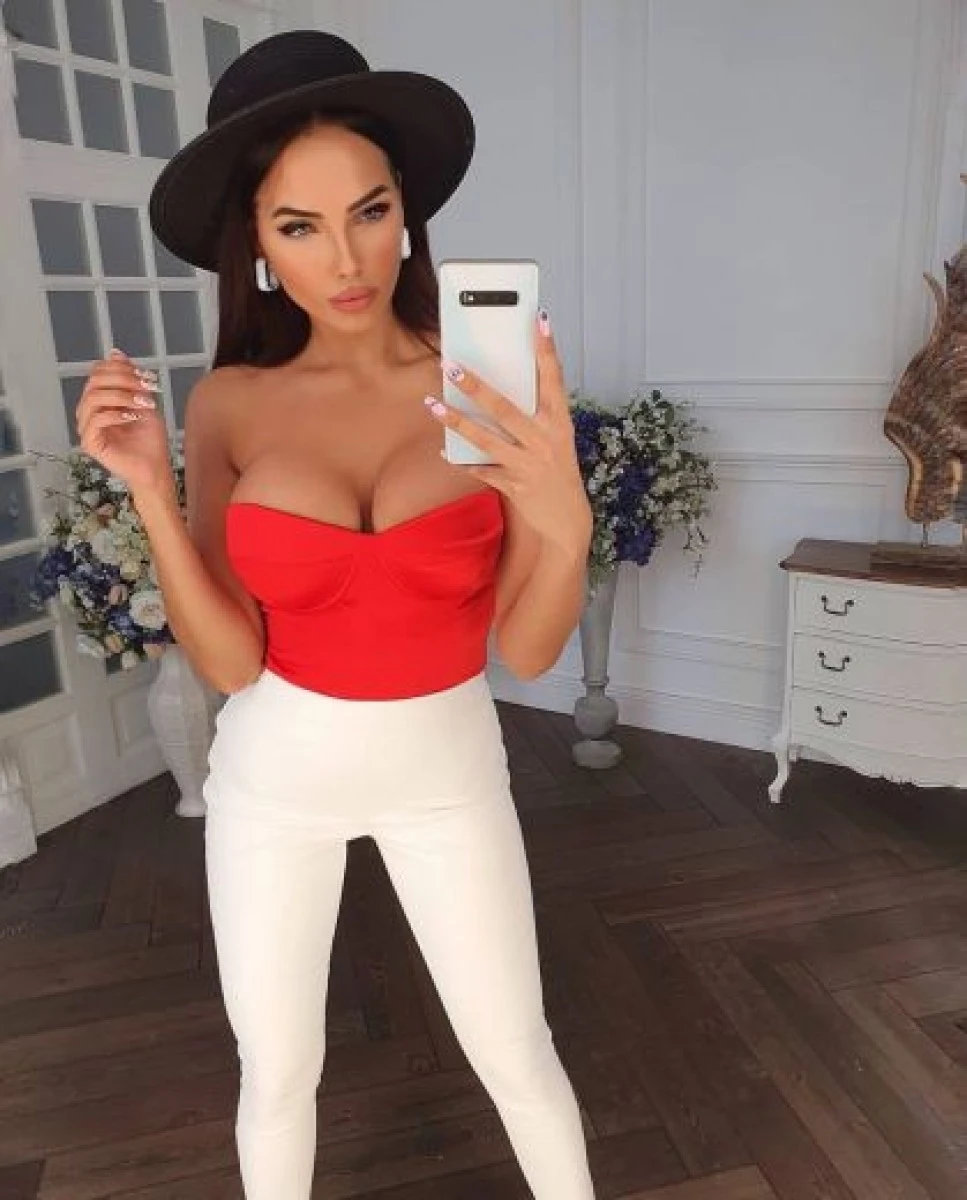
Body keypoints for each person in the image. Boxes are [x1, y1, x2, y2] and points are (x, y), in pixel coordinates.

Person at [75, 29, 596, 1200]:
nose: (345, 258)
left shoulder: (484, 383)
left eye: (368, 211)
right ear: (255, 246)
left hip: (449, 776)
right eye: (299, 226)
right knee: (276, 1075)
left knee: (518, 1055)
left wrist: (563, 515)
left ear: (405, 209)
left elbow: (525, 649)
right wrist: (151, 490)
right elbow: (230, 661)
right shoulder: (229, 403)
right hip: (273, 784)